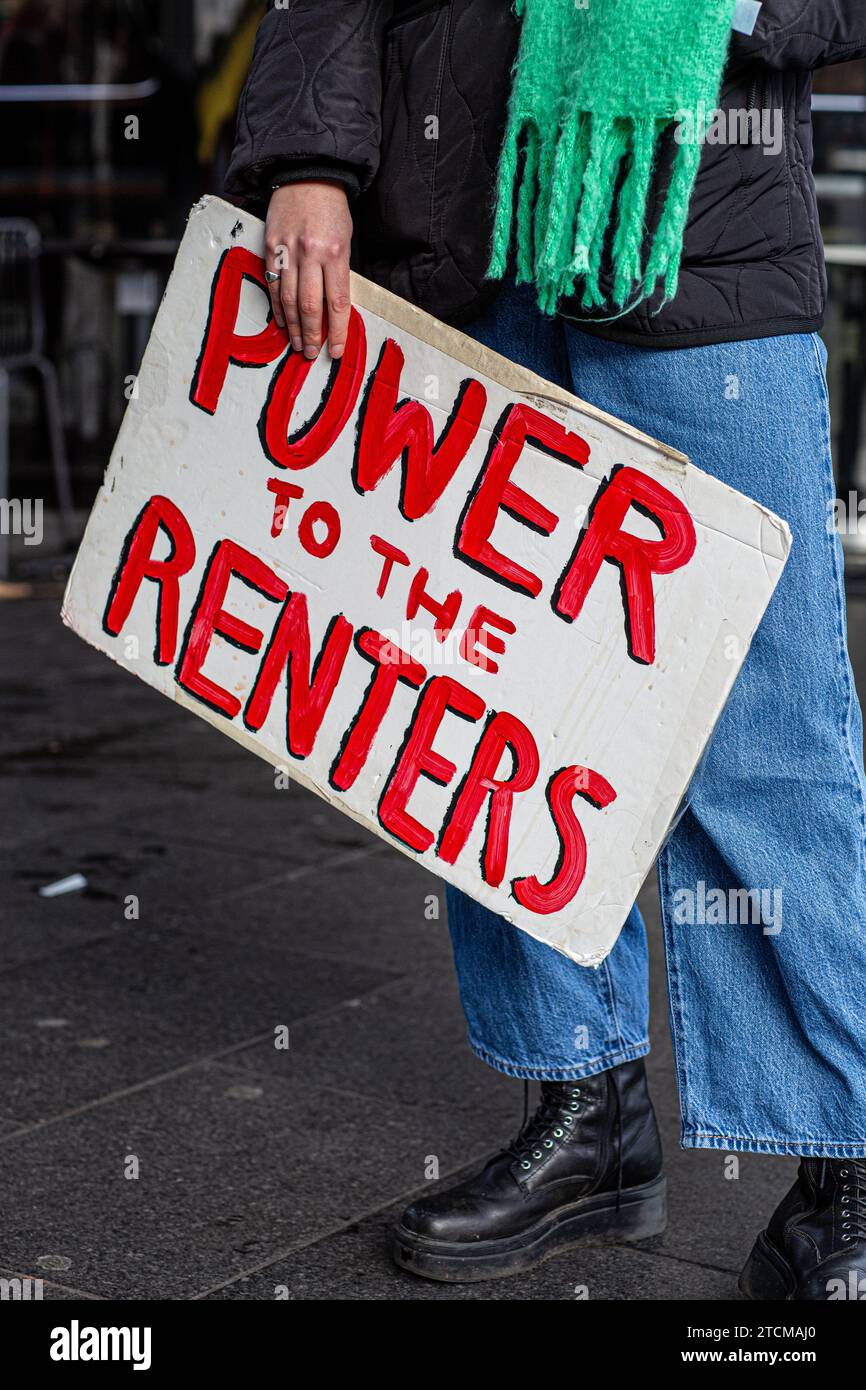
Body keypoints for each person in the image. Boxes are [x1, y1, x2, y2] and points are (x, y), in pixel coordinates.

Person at [226, 0, 866, 1298]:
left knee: (762, 738)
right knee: (497, 706)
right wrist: (308, 157)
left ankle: (844, 1159)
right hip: (459, 225)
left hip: (694, 224)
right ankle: (585, 1115)